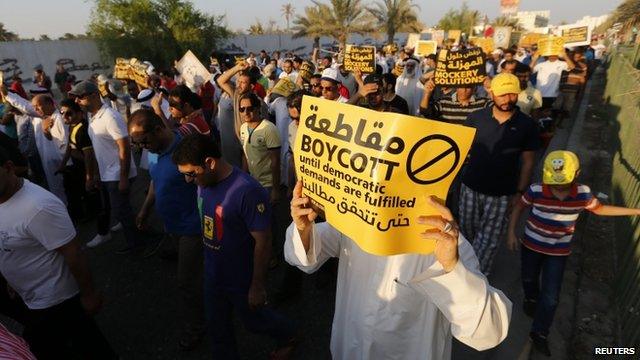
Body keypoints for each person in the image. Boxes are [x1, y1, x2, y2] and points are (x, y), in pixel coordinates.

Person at [286, 180, 511, 358]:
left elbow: (488, 332)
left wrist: (452, 267)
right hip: (349, 350)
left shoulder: (449, 243)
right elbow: (304, 257)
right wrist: (303, 227)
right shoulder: (356, 220)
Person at [171, 134, 299, 359]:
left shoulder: (248, 191)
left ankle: (288, 334)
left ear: (209, 163)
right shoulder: (204, 182)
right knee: (217, 327)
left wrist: (257, 286)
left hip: (241, 277)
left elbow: (264, 240)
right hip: (213, 274)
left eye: (191, 174)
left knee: (254, 321)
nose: (188, 181)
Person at [506, 150, 640, 356]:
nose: (558, 186)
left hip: (558, 253)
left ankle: (539, 333)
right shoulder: (536, 190)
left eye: (563, 182)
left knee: (551, 297)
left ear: (577, 174)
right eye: (554, 182)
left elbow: (600, 209)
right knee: (529, 278)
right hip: (531, 246)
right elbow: (518, 208)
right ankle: (531, 299)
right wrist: (511, 233)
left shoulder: (584, 194)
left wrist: (635, 211)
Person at [0, 147, 117, 360]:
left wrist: (89, 295)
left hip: (58, 300)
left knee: (90, 348)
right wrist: (10, 278)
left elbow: (74, 253)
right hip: (31, 298)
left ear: (9, 168)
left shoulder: (39, 207)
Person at [128, 109, 205, 350]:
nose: (143, 147)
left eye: (145, 141)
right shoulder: (156, 151)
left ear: (159, 129)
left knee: (186, 282)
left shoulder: (186, 150)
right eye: (137, 144)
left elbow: (210, 183)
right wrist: (144, 210)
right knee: (196, 276)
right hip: (173, 228)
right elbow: (155, 181)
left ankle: (198, 327)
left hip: (193, 228)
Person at [459, 73, 541, 275]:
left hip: (502, 193)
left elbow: (528, 162)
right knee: (467, 235)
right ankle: (462, 273)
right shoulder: (475, 118)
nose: (507, 99)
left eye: (512, 94)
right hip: (471, 187)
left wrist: (520, 192)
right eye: (502, 95)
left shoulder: (527, 125)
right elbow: (461, 149)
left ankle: (478, 279)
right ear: (492, 93)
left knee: (488, 241)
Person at [70, 80, 141, 253]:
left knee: (121, 211)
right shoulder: (92, 116)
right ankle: (138, 237)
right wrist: (94, 175)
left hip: (117, 173)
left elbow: (124, 147)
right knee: (121, 210)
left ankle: (136, 245)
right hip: (108, 174)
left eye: (80, 97)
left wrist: (123, 178)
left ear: (94, 95)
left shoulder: (110, 116)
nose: (76, 101)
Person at [56, 99, 110, 248]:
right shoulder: (72, 127)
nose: (65, 117)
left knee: (99, 201)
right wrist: (63, 163)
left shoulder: (83, 130)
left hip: (88, 170)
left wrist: (90, 177)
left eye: (69, 113)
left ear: (80, 114)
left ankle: (103, 232)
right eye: (62, 113)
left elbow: (89, 156)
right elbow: (69, 146)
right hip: (78, 169)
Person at [1, 86, 68, 203]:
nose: (35, 107)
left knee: (63, 187)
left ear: (48, 101)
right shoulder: (40, 115)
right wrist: (7, 95)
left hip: (60, 161)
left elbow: (65, 144)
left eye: (37, 104)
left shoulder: (57, 116)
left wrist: (8, 95)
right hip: (47, 159)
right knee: (54, 187)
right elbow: (26, 107)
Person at [239, 93, 281, 203]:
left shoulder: (269, 129)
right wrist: (244, 179)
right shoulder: (243, 128)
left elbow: (275, 161)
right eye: (242, 109)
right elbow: (245, 154)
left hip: (268, 185)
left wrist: (276, 190)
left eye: (250, 108)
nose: (245, 113)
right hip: (252, 182)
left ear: (257, 108)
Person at [420, 82, 491, 125]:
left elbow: (499, 110)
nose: (464, 90)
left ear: (474, 88)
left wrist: (491, 91)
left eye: (468, 87)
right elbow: (425, 112)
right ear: (456, 87)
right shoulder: (444, 102)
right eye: (461, 86)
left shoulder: (483, 103)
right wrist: (426, 94)